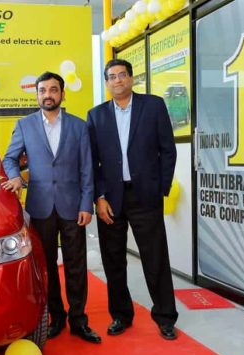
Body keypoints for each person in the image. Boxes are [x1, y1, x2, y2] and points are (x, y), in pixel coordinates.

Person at [2, 71, 101, 344]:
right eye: (43, 90)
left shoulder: (80, 127)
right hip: (40, 206)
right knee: (46, 266)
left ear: (62, 94)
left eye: (53, 90)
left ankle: (79, 321)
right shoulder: (25, 125)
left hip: (73, 207)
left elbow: (87, 170)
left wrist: (87, 204)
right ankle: (56, 317)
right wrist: (15, 178)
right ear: (37, 95)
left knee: (76, 266)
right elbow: (9, 158)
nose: (48, 95)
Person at [86, 59, 179, 340]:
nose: (117, 80)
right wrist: (98, 197)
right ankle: (121, 316)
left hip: (145, 196)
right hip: (111, 199)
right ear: (107, 82)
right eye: (111, 77)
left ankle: (165, 317)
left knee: (155, 258)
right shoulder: (96, 115)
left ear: (131, 78)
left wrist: (159, 189)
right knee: (113, 260)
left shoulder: (153, 106)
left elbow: (168, 150)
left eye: (122, 75)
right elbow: (93, 161)